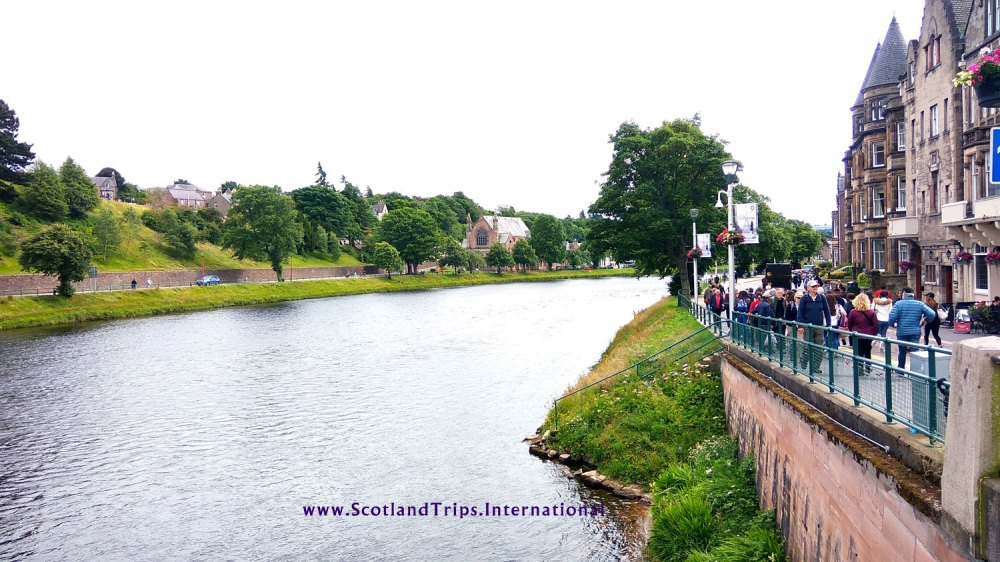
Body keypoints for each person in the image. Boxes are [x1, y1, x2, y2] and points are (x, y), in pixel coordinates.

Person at [888, 287, 936, 370]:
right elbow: (932, 314)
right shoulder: (919, 304)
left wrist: (892, 324)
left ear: (903, 295)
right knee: (914, 352)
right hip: (915, 331)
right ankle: (914, 372)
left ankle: (900, 370)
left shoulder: (898, 304)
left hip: (902, 331)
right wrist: (925, 320)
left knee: (902, 352)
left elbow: (891, 317)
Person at [797, 280, 831, 373]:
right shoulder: (804, 298)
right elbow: (800, 313)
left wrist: (828, 325)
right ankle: (804, 361)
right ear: (808, 288)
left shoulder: (822, 297)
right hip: (808, 326)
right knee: (808, 346)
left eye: (816, 286)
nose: (815, 288)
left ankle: (815, 367)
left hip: (819, 325)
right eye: (813, 286)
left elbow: (827, 311)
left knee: (819, 347)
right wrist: (801, 326)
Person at [847, 293, 879, 374]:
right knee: (867, 352)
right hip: (868, 335)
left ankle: (860, 369)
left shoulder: (853, 312)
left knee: (859, 353)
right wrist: (874, 335)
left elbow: (849, 324)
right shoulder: (871, 312)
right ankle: (868, 368)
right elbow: (875, 325)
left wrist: (852, 332)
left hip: (857, 335)